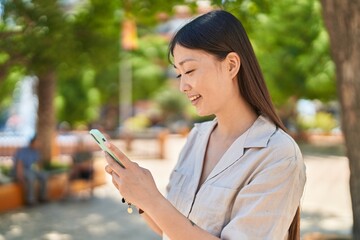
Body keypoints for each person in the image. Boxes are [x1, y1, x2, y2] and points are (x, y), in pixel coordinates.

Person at [104, 10, 306, 240]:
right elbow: (170, 228)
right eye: (179, 75)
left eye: (189, 70)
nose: (183, 86)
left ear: (231, 65)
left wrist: (152, 199)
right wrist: (137, 195)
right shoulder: (197, 137)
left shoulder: (278, 154)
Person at [12, 134, 48, 206]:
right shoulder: (22, 150)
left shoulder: (36, 152)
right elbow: (19, 164)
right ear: (32, 142)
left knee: (44, 175)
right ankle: (30, 200)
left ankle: (42, 197)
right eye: (37, 142)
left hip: (29, 170)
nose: (38, 144)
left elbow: (37, 165)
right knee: (31, 177)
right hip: (20, 170)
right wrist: (20, 175)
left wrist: (39, 171)